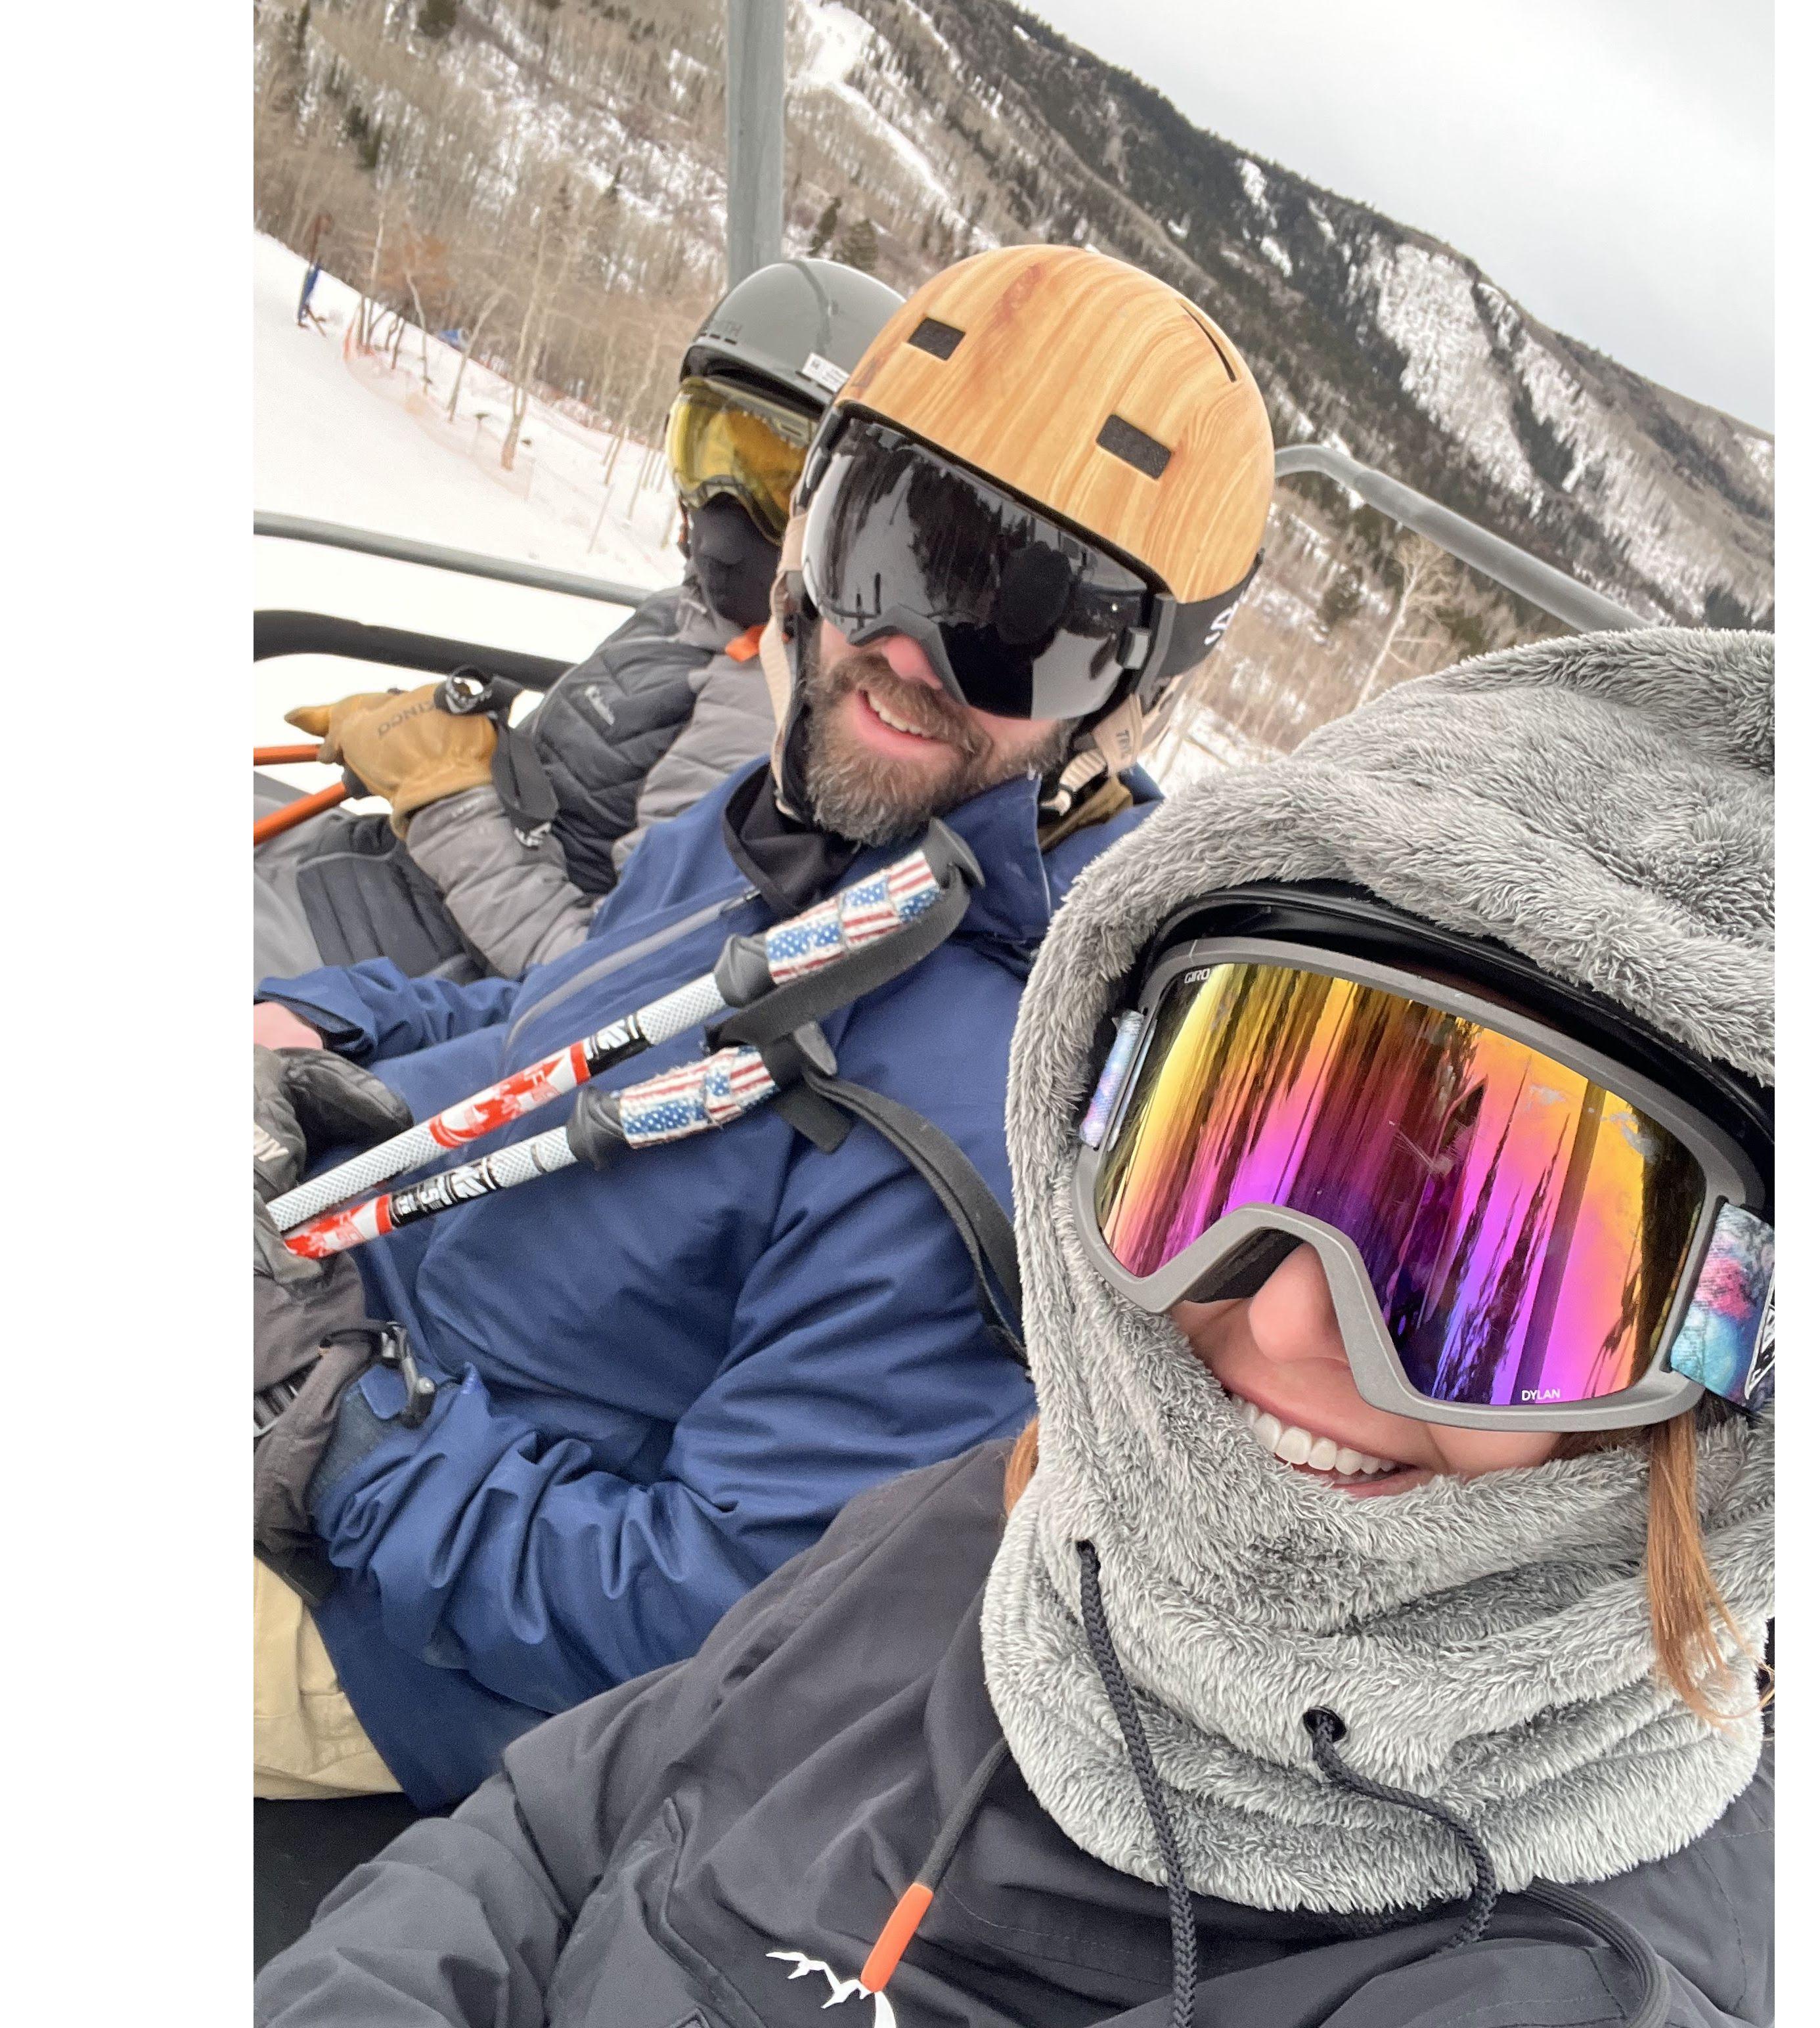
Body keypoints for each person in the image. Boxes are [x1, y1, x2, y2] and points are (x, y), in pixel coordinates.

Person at [255, 623, 1775, 2026]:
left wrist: (350, 1439)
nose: (1294, 1315)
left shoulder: (1554, 1985)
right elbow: (551, 1827)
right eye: (1239, 1147)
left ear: (1743, 1380)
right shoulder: (1004, 1515)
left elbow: (656, 1615)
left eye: (1503, 1269)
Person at [250, 242, 1277, 1809]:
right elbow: (543, 1015)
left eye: (1022, 627)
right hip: (332, 1307)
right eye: (894, 548)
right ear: (816, 521)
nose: (911, 656)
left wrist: (343, 1436)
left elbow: (711, 1615)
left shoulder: (990, 1110)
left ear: (1120, 703)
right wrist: (317, 1025)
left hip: (385, 1615)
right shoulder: (792, 818)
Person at [252, 257, 904, 987]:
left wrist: (444, 796)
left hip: (401, 970)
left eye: (776, 484)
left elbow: (600, 981)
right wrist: (464, 748)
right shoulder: (690, 614)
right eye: (710, 451)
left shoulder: (768, 716)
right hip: (371, 876)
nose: (725, 502)